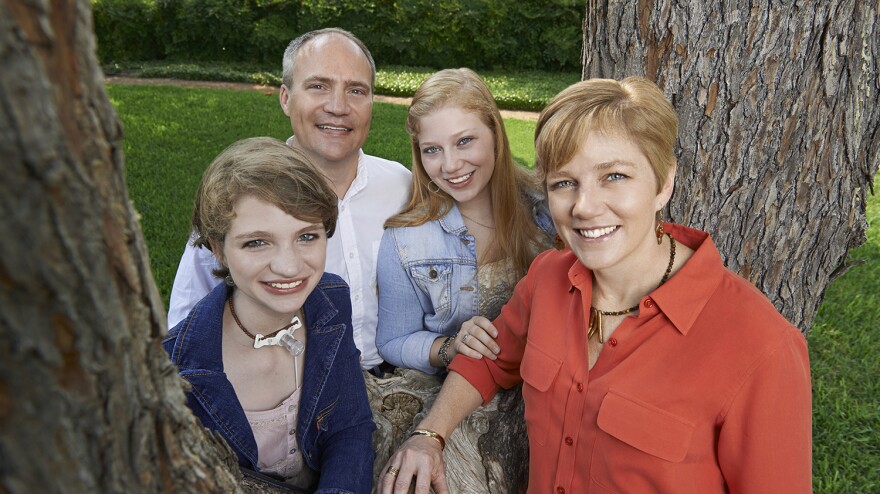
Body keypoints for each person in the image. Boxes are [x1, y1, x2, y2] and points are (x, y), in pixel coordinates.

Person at [378, 77, 812, 493]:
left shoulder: (762, 348)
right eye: (565, 184)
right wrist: (428, 436)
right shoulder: (548, 278)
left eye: (614, 176)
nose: (584, 207)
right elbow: (487, 361)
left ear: (664, 182)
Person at [167, 28, 412, 373]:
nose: (338, 107)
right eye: (318, 86)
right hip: (286, 389)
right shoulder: (239, 194)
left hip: (395, 372)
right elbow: (186, 325)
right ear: (285, 98)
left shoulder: (401, 185)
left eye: (356, 90)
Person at [163, 137, 375, 493]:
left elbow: (349, 427)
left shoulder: (331, 300)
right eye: (257, 242)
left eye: (307, 236)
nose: (289, 266)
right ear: (218, 249)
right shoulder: (177, 368)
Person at [375, 68, 555, 374]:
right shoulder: (406, 239)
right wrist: (449, 347)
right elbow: (394, 340)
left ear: (496, 134)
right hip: (456, 386)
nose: (450, 165)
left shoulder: (546, 208)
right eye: (432, 150)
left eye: (464, 141)